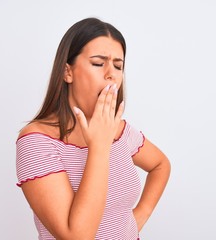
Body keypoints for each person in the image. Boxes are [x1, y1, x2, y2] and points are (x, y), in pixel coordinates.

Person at [16, 17, 171, 240]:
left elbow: (160, 165)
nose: (111, 73)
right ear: (67, 72)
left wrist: (138, 218)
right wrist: (99, 146)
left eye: (118, 66)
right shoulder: (36, 142)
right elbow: (77, 236)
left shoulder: (119, 131)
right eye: (98, 63)